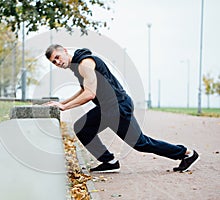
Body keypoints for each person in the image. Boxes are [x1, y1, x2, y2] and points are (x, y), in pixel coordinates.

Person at [44, 44, 200, 173]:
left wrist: (64, 106)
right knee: (82, 128)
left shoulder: (85, 64)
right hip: (108, 109)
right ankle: (109, 161)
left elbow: (89, 94)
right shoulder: (78, 66)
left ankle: (186, 153)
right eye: (53, 62)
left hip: (117, 107)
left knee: (141, 143)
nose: (57, 62)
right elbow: (84, 89)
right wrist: (63, 102)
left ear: (64, 51)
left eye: (57, 57)